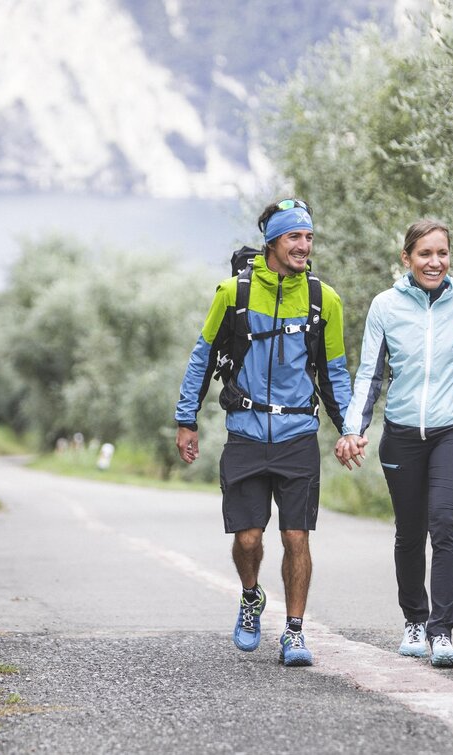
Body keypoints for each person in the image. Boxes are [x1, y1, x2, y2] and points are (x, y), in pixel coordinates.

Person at [175, 198, 352, 667]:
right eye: (295, 236)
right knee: (248, 538)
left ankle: (294, 631)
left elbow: (335, 371)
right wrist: (186, 419)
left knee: (297, 538)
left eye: (309, 237)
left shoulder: (323, 299)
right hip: (246, 434)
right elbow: (203, 357)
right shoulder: (232, 293)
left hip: (298, 434)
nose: (304, 245)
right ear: (273, 240)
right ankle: (251, 596)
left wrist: (349, 428)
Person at [334, 219, 453, 669]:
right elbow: (369, 374)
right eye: (425, 254)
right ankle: (414, 620)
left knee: (444, 523)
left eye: (442, 253)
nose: (435, 262)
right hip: (403, 434)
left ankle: (441, 631)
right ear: (407, 258)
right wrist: (354, 428)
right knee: (410, 532)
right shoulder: (385, 306)